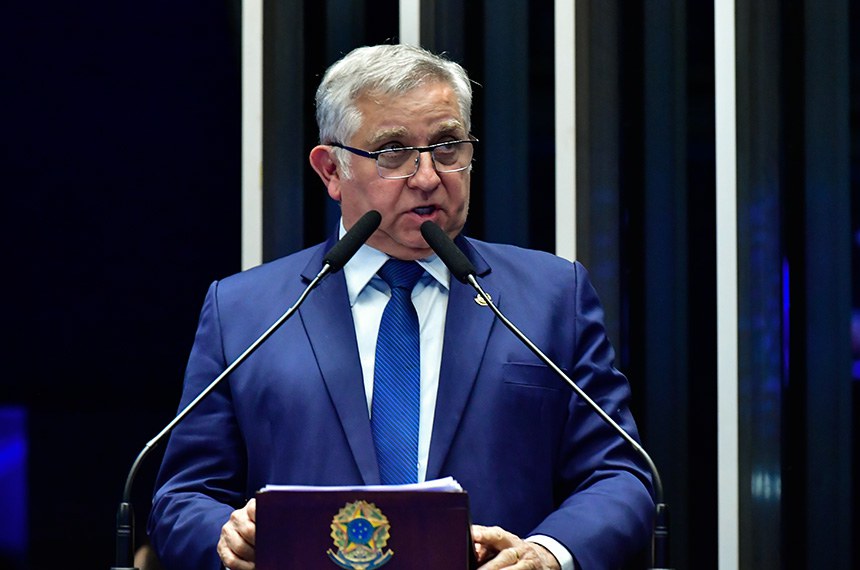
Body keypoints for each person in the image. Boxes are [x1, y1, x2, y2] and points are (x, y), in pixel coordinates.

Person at [148, 43, 654, 570]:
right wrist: (227, 539)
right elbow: (182, 498)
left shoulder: (551, 297)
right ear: (331, 170)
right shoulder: (245, 311)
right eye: (393, 151)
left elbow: (620, 475)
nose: (428, 177)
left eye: (448, 146)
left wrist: (547, 554)